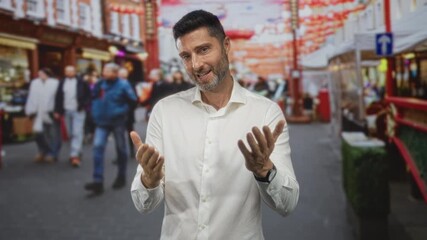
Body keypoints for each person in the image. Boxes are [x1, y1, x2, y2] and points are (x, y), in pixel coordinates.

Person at [130, 10, 299, 239]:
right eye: (186, 56)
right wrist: (149, 180)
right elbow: (143, 205)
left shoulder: (265, 112)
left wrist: (265, 170)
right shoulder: (165, 112)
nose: (196, 64)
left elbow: (287, 205)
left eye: (203, 50)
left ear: (226, 45)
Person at [84, 63, 137, 194]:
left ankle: (121, 176)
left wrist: (122, 111)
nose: (104, 73)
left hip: (118, 121)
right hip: (102, 121)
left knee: (120, 149)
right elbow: (93, 96)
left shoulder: (123, 84)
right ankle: (98, 181)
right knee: (97, 147)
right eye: (104, 70)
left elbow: (133, 101)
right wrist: (95, 110)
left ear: (115, 73)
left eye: (107, 71)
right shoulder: (100, 83)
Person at [54, 66, 91, 167]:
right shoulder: (62, 82)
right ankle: (77, 150)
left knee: (76, 132)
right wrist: (57, 110)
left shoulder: (81, 82)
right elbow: (58, 96)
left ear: (75, 72)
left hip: (78, 110)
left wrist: (83, 105)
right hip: (66, 110)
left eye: (71, 71)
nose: (69, 73)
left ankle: (74, 155)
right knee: (70, 133)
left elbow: (89, 95)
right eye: (67, 71)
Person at [25, 68, 61, 163]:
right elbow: (31, 97)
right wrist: (31, 109)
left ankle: (53, 153)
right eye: (39, 74)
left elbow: (59, 98)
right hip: (37, 111)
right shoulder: (35, 83)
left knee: (52, 133)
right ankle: (42, 151)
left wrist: (58, 110)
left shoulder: (55, 83)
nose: (40, 76)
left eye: (42, 74)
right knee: (39, 134)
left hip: (50, 111)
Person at [118, 67, 138, 158]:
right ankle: (121, 154)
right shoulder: (116, 84)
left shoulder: (131, 84)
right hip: (118, 114)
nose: (122, 75)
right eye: (120, 74)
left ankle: (131, 151)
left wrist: (130, 109)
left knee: (130, 133)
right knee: (119, 134)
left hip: (128, 113)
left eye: (124, 74)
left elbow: (135, 99)